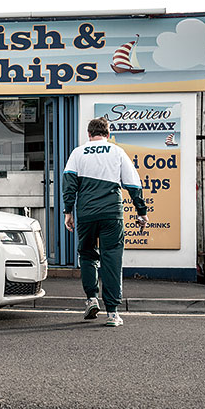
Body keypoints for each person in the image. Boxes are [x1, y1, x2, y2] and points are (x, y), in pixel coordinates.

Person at [62, 117, 148, 327]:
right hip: (112, 214)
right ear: (107, 134)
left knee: (88, 254)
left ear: (89, 134)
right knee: (112, 258)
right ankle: (112, 313)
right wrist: (141, 211)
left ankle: (91, 299)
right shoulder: (116, 152)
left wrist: (68, 212)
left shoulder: (78, 152)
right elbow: (133, 183)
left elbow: (69, 185)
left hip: (87, 214)